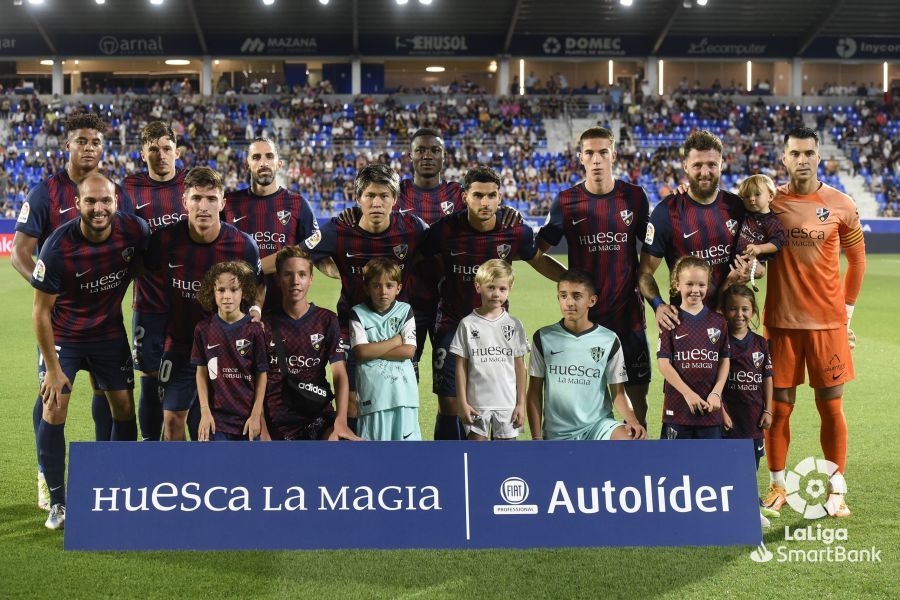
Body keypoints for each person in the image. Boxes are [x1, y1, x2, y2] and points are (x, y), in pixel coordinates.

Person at [13, 113, 133, 508]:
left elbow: (132, 247)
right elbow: (19, 254)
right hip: (61, 321)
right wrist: (49, 291)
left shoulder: (114, 191)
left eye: (95, 142)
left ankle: (102, 481)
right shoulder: (45, 193)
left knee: (107, 392)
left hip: (104, 321)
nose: (88, 148)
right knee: (51, 395)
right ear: (67, 146)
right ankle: (48, 479)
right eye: (81, 141)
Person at [30, 174, 150, 529]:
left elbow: (148, 268)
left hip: (108, 334)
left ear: (116, 201)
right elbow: (39, 312)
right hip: (65, 337)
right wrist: (52, 369)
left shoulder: (135, 231)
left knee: (125, 407)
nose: (99, 209)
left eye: (105, 201)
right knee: (54, 407)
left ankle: (115, 489)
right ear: (77, 204)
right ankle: (59, 502)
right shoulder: (56, 247)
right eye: (91, 202)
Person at [762, 127, 866, 518]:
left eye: (808, 153)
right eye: (795, 153)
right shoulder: (770, 205)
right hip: (782, 324)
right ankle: (777, 486)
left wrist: (847, 315)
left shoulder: (841, 204)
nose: (802, 159)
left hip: (827, 326)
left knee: (831, 407)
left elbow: (857, 260)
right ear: (783, 158)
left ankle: (836, 490)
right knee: (780, 408)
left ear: (818, 156)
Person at [422, 165, 564, 439]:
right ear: (465, 196)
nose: (484, 202)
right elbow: (416, 260)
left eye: (491, 196)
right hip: (452, 323)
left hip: (496, 329)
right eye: (477, 195)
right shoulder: (445, 230)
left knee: (496, 400)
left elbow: (539, 261)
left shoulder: (515, 231)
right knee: (450, 402)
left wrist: (571, 279)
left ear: (501, 198)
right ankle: (449, 461)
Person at [538, 127, 653, 427]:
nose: (597, 158)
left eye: (603, 152)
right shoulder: (566, 201)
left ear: (614, 155)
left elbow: (654, 248)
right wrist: (568, 281)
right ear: (580, 158)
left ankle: (638, 460)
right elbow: (536, 252)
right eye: (590, 152)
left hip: (629, 317)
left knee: (637, 396)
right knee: (585, 397)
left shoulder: (635, 197)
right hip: (585, 322)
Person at [145, 167, 264, 441]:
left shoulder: (242, 245)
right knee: (173, 418)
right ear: (184, 201)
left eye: (211, 199)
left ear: (222, 203)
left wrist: (255, 309)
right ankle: (175, 480)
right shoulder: (163, 241)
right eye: (197, 198)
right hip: (179, 344)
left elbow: (257, 283)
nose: (204, 206)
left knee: (216, 424)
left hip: (225, 348)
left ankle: (207, 479)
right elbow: (144, 275)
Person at [306, 164, 427, 433]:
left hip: (399, 327)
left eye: (384, 196)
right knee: (351, 404)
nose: (376, 202)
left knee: (399, 401)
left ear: (394, 199)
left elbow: (437, 249)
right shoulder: (339, 228)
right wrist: (338, 272)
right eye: (370, 195)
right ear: (358, 197)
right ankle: (355, 470)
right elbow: (307, 254)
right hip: (353, 329)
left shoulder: (412, 228)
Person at [638, 130, 750, 332]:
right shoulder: (666, 212)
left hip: (732, 323)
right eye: (697, 165)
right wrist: (658, 306)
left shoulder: (737, 207)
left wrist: (755, 269)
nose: (705, 172)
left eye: (712, 165)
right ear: (685, 166)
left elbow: (753, 262)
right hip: (685, 326)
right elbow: (644, 272)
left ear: (722, 165)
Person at [526, 269, 647, 442]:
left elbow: (618, 394)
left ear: (592, 300)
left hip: (599, 427)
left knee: (631, 441)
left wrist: (633, 421)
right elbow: (534, 393)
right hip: (557, 433)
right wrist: (537, 438)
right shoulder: (543, 337)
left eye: (576, 296)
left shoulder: (609, 339)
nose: (569, 302)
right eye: (563, 296)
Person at [123, 121, 187, 442]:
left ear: (177, 152)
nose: (160, 155)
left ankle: (199, 450)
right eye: (153, 149)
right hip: (148, 302)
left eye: (166, 149)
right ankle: (149, 445)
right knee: (149, 377)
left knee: (198, 374)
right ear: (142, 153)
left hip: (192, 303)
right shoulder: (128, 188)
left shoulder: (194, 184)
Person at [263, 246, 358, 441]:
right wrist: (261, 425)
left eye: (302, 274)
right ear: (278, 279)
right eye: (288, 274)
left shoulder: (327, 320)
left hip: (317, 413)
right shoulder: (264, 325)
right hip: (277, 420)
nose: (295, 281)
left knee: (339, 447)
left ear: (311, 279)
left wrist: (340, 420)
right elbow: (256, 380)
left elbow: (339, 372)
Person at [226, 137, 318, 310]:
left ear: (279, 164)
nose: (263, 163)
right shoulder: (228, 204)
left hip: (286, 311)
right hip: (239, 311)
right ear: (246, 165)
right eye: (256, 157)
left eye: (269, 156)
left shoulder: (298, 204)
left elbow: (310, 252)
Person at [450, 260, 528, 441]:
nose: (496, 294)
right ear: (478, 287)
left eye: (502, 289)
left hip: (507, 404)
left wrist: (520, 404)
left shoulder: (514, 325)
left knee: (506, 460)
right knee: (478, 457)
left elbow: (520, 367)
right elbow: (460, 367)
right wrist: (462, 402)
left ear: (510, 289)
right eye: (491, 287)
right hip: (477, 404)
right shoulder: (467, 324)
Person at [191, 261, 268, 441]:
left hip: (247, 420)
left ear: (244, 292)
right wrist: (205, 412)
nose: (227, 296)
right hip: (216, 421)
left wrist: (256, 415)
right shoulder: (203, 329)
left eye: (234, 290)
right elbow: (201, 373)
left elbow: (262, 373)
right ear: (212, 291)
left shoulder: (254, 329)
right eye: (221, 290)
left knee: (248, 468)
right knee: (216, 467)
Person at [720, 284, 776, 528]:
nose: (739, 314)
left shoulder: (761, 343)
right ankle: (731, 507)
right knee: (728, 464)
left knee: (751, 465)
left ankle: (750, 507)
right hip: (730, 418)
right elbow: (715, 382)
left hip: (754, 417)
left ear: (753, 311)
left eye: (745, 309)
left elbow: (767, 377)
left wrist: (768, 409)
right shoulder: (720, 342)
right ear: (724, 311)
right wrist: (721, 411)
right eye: (733, 309)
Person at [657, 256, 730, 440]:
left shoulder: (719, 322)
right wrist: (688, 394)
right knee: (673, 466)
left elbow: (724, 360)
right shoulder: (670, 319)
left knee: (709, 467)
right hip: (678, 410)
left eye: (701, 285)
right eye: (689, 284)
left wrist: (716, 393)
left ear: (708, 285)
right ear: (677, 285)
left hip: (710, 409)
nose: (695, 290)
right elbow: (663, 364)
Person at [348, 258, 419, 441]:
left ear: (398, 288)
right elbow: (361, 353)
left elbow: (409, 351)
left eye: (389, 285)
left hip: (404, 397)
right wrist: (395, 341)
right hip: (373, 396)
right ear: (367, 288)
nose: (383, 291)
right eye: (376, 286)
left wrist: (373, 349)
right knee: (375, 456)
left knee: (408, 457)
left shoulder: (405, 310)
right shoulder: (358, 313)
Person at [733, 174, 786, 291]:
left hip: (747, 263)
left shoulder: (772, 222)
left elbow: (779, 241)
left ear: (770, 196)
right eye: (747, 196)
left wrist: (760, 248)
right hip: (729, 257)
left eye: (757, 194)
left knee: (730, 286)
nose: (751, 198)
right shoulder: (743, 213)